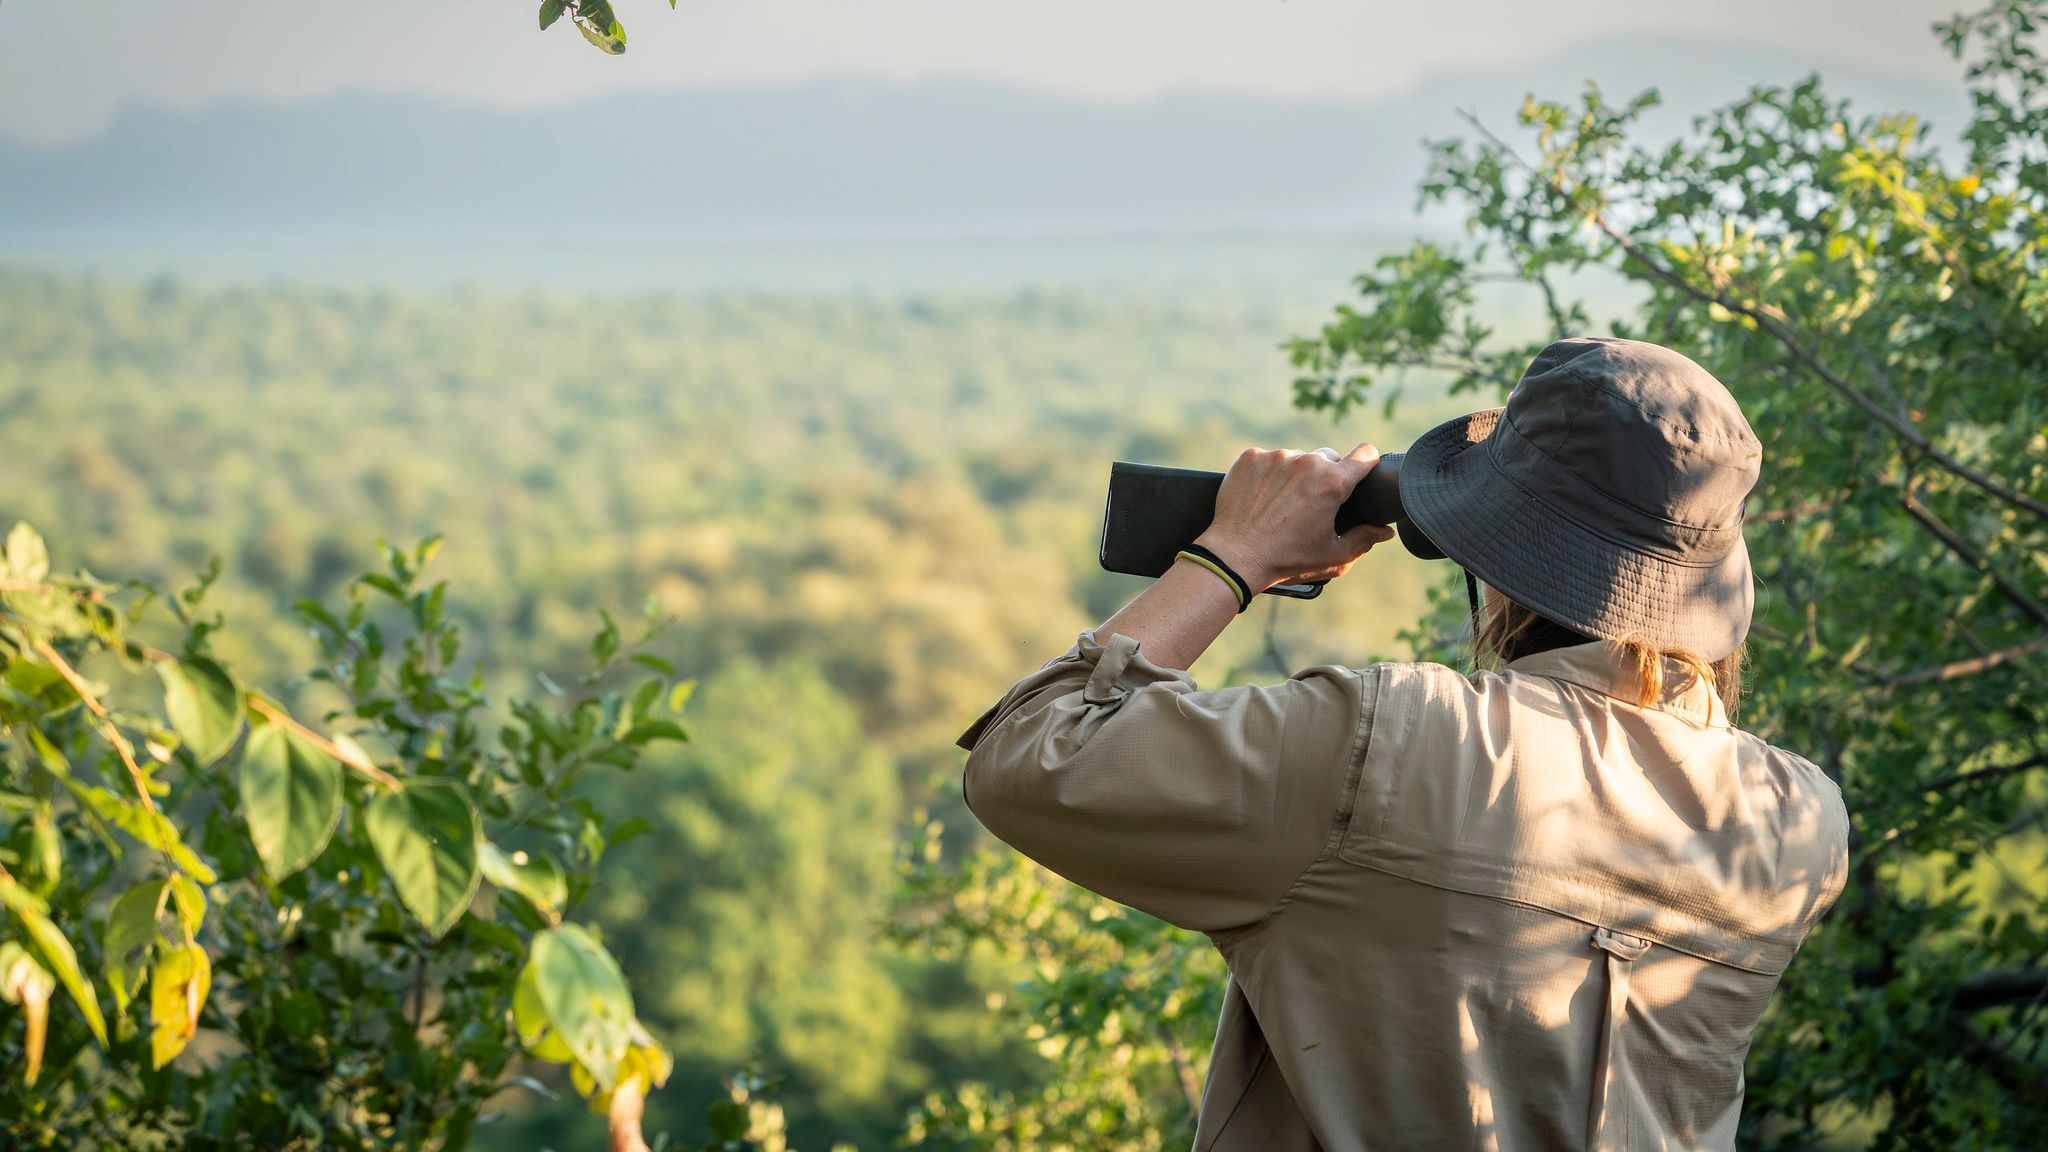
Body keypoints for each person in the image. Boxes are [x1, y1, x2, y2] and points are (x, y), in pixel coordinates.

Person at [957, 337, 1851, 1151]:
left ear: (1498, 559)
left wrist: (1234, 555)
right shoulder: (1799, 824)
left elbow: (1031, 753)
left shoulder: (1398, 742)